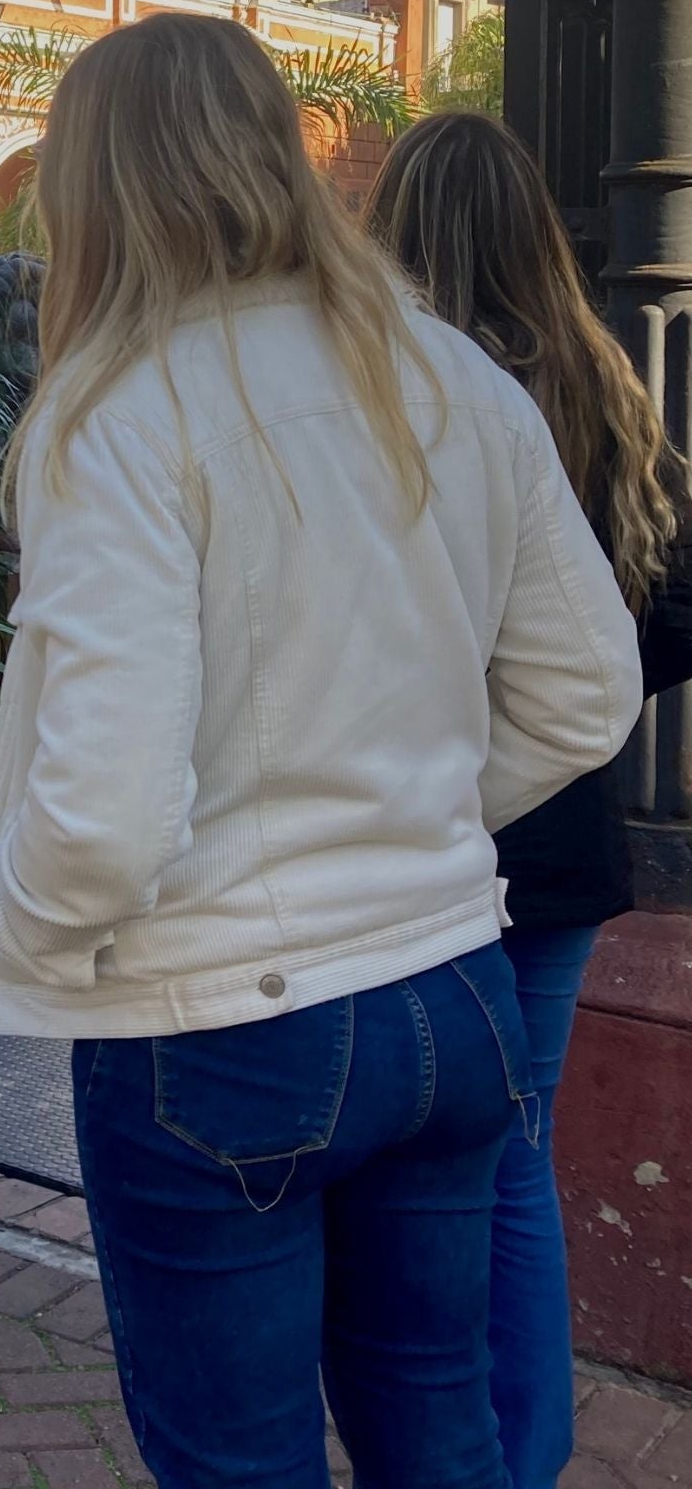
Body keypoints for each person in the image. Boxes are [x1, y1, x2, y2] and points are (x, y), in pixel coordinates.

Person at [0, 15, 643, 1489]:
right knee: (442, 1431)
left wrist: (18, 931)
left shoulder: (121, 414)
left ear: (98, 188)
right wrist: (431, 814)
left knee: (240, 1461)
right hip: (450, 986)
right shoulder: (456, 379)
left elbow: (106, 815)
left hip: (223, 1025)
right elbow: (589, 694)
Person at [368, 108, 692, 1489]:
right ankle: (522, 1448)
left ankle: (451, 1442)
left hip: (413, 829)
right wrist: (586, 675)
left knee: (410, 1162)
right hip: (560, 836)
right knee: (514, 1155)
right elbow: (675, 601)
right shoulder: (598, 378)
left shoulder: (390, 390)